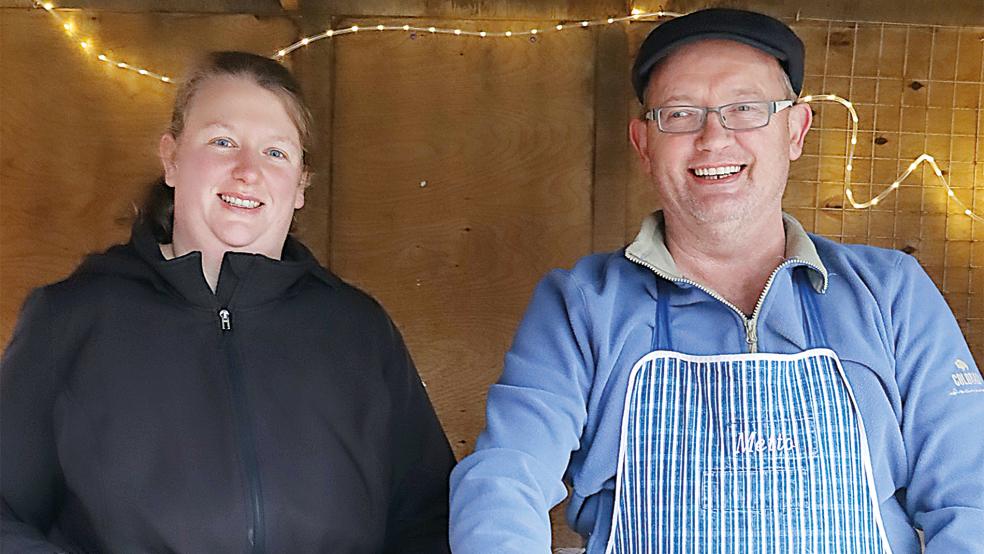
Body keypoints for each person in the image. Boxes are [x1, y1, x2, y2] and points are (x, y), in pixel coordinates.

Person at [449, 8, 984, 553]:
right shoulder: (582, 304)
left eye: (745, 109)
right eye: (679, 114)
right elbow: (503, 480)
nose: (713, 138)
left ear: (794, 131)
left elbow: (972, 497)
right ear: (643, 144)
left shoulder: (891, 292)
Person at [1, 51, 455, 553]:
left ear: (301, 184)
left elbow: (430, 517)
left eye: (276, 153)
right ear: (171, 158)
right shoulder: (73, 318)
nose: (247, 171)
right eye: (222, 142)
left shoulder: (358, 331)